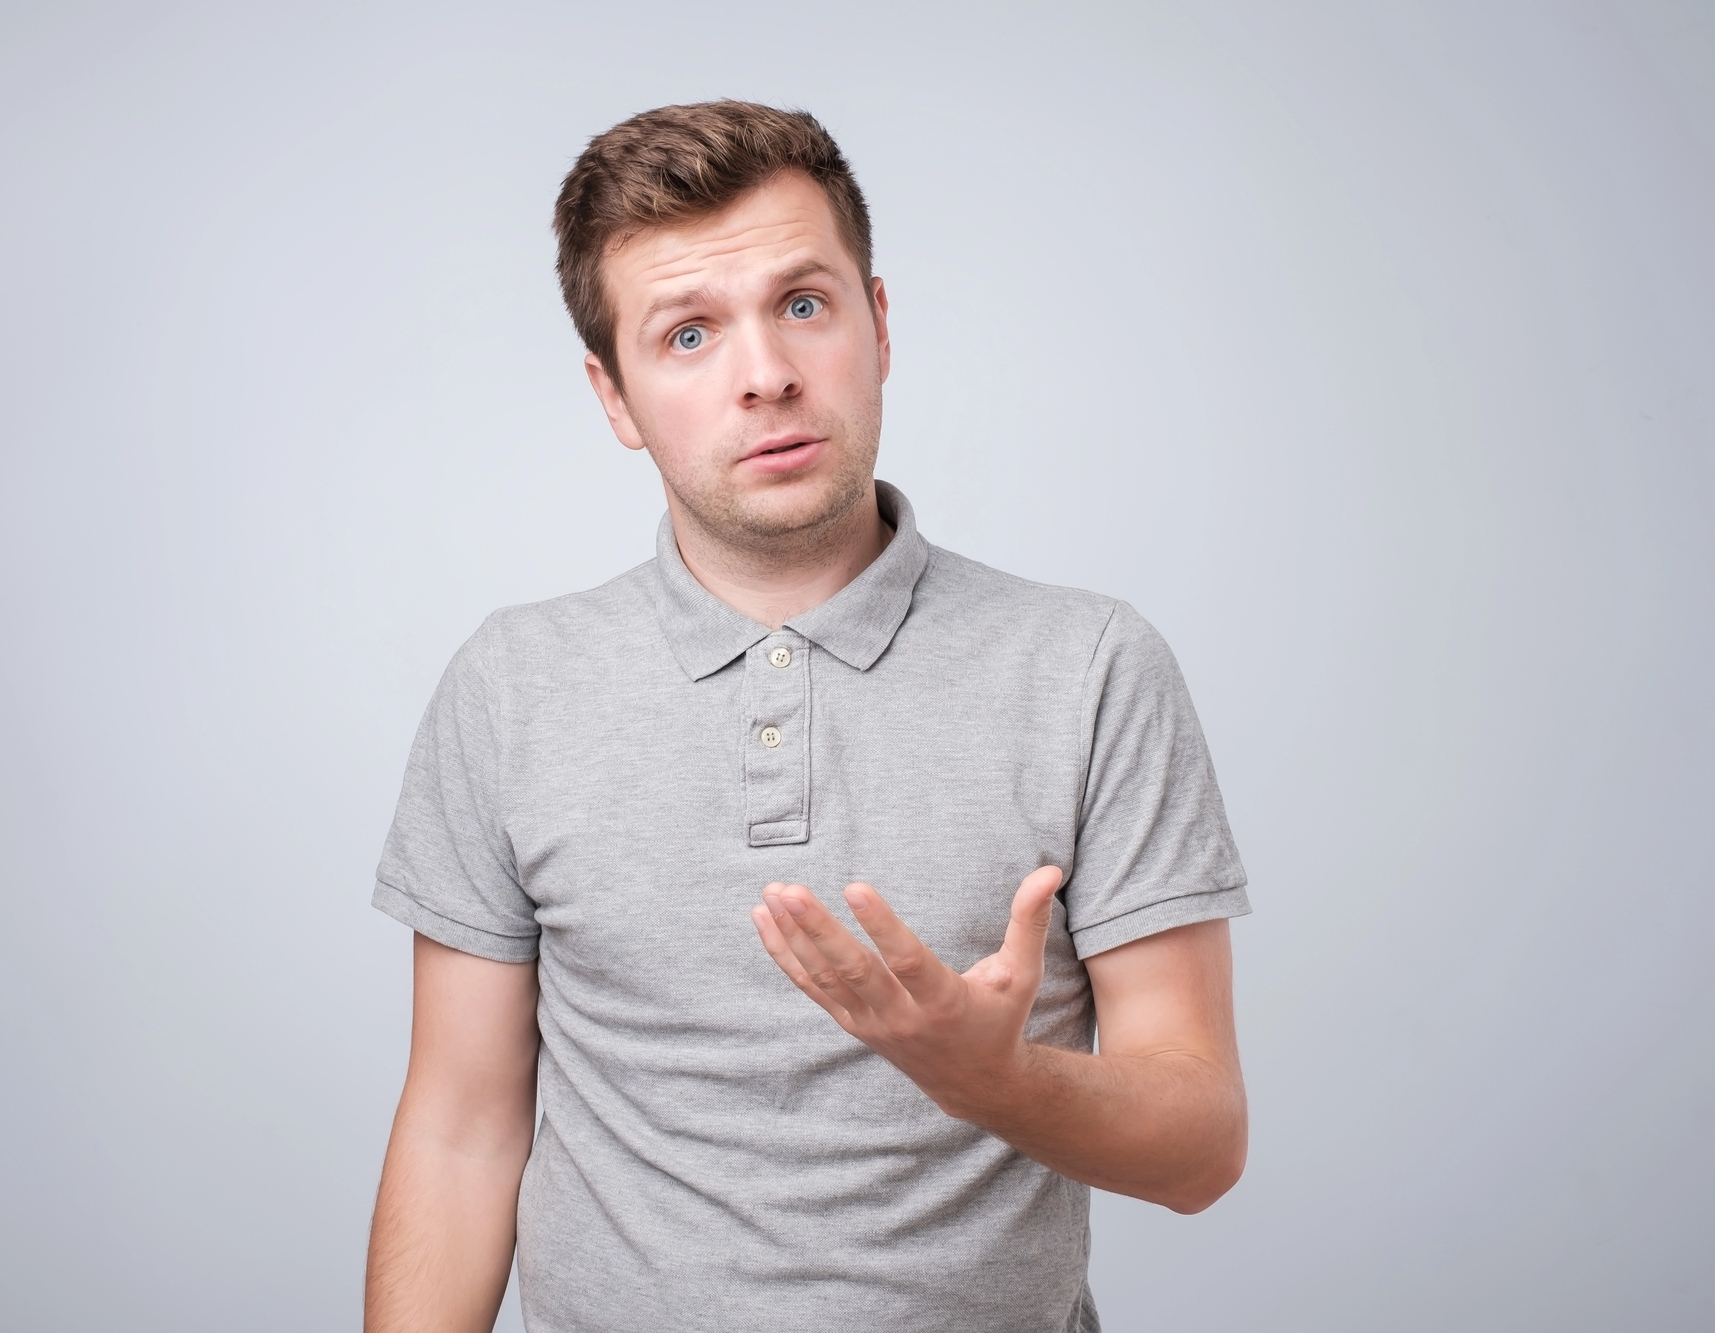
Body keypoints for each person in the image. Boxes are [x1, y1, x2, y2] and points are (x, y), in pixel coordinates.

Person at [363, 101, 1250, 1333]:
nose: (764, 372)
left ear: (875, 324)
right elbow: (460, 1133)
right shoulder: (509, 685)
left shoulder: (1089, 665)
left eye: (801, 304)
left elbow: (1199, 1146)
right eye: (686, 334)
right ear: (613, 396)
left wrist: (995, 1080)